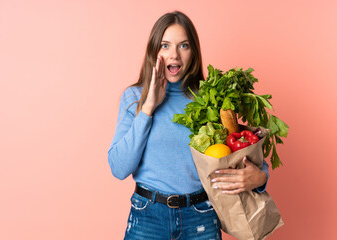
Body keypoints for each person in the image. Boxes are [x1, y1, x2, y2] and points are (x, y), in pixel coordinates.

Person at [108, 11, 269, 240]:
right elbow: (119, 167)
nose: (174, 54)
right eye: (165, 45)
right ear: (154, 50)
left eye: (183, 46)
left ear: (193, 52)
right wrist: (149, 108)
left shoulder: (210, 100)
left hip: (200, 216)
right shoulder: (134, 97)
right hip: (148, 218)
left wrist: (261, 178)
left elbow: (241, 148)